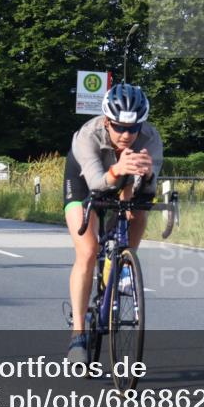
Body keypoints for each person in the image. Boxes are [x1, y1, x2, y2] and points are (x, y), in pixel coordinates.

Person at [63, 84, 163, 363]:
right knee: (87, 250)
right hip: (84, 180)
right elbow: (96, 183)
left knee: (140, 209)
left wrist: (148, 176)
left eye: (134, 129)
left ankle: (122, 264)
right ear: (107, 121)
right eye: (119, 127)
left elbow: (148, 192)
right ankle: (78, 335)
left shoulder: (151, 138)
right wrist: (118, 169)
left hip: (125, 179)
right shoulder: (88, 135)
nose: (127, 135)